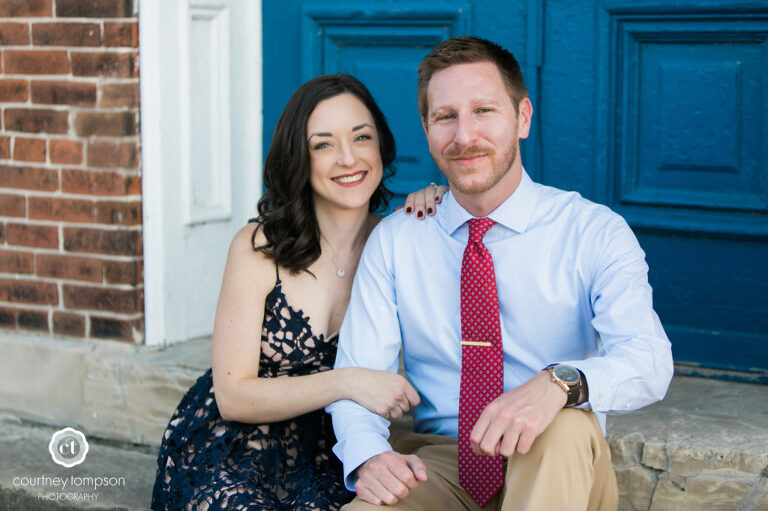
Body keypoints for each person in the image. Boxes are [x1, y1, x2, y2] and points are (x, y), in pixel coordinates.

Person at [328, 36, 674, 510]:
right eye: (445, 117)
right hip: (444, 463)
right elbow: (358, 375)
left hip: (557, 459)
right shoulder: (397, 239)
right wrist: (368, 456)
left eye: (484, 111)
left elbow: (650, 361)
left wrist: (559, 383)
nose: (464, 136)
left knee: (566, 425)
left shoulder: (593, 232)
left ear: (523, 118)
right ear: (427, 130)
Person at [151, 73, 447, 510]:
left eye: (361, 137)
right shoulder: (258, 248)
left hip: (328, 450)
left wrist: (442, 199)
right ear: (299, 158)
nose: (348, 158)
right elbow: (232, 397)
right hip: (234, 445)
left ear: (381, 146)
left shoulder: (398, 241)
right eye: (323, 144)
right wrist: (348, 381)